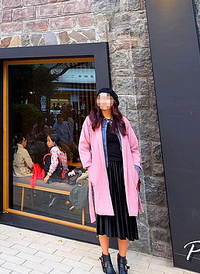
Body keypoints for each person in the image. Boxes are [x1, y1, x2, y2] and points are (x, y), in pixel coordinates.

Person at [79, 88, 142, 274]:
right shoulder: (91, 121)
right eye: (100, 98)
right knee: (104, 218)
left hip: (123, 176)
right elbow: (83, 147)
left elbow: (134, 148)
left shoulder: (122, 122)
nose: (103, 101)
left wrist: (135, 169)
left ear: (113, 101)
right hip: (102, 176)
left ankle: (122, 260)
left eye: (106, 98)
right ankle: (105, 258)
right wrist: (90, 167)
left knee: (124, 217)